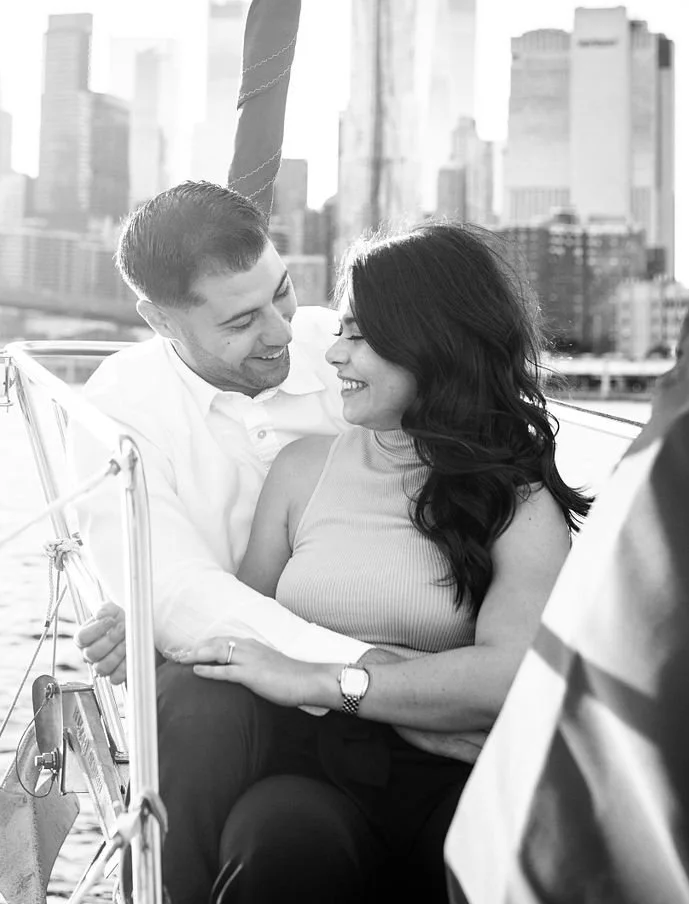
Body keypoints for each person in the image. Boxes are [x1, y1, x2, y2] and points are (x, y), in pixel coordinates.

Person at [144, 225, 592, 904]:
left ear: (431, 342)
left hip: (451, 774)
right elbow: (240, 634)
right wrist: (143, 621)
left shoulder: (521, 503)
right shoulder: (302, 471)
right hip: (311, 768)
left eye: (358, 335)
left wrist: (326, 680)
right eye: (339, 331)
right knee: (280, 846)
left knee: (501, 862)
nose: (332, 353)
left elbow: (508, 677)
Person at [66, 179, 377, 671]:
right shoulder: (119, 408)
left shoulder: (348, 346)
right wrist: (376, 676)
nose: (282, 331)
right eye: (241, 322)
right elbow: (177, 593)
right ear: (162, 323)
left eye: (283, 292)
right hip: (264, 685)